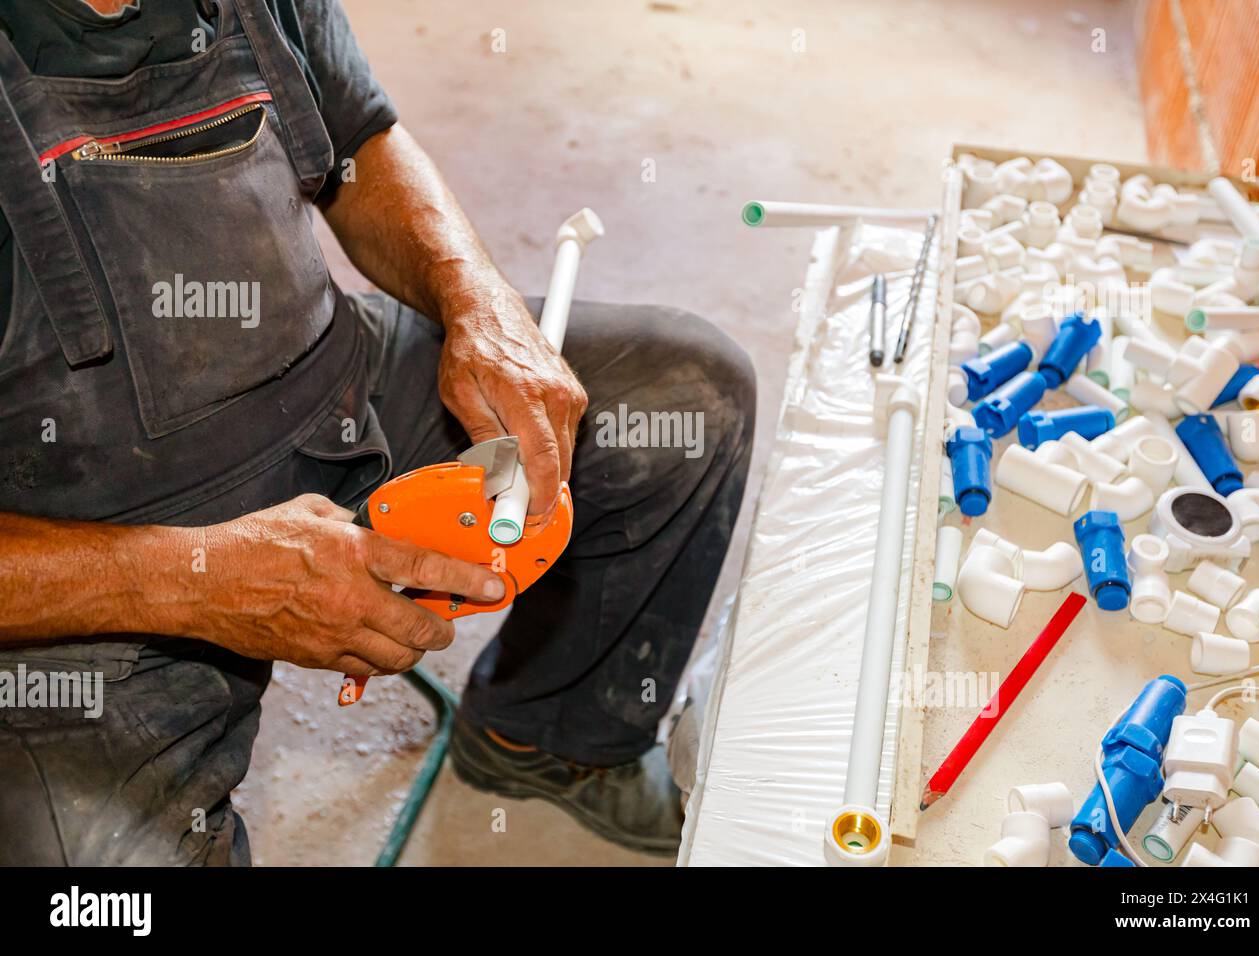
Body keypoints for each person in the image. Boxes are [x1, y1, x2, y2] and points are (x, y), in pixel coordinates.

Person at [0, 0, 754, 864]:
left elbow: (359, 140)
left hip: (335, 394)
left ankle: (545, 740)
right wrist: (187, 583)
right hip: (79, 554)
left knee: (689, 400)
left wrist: (478, 297)